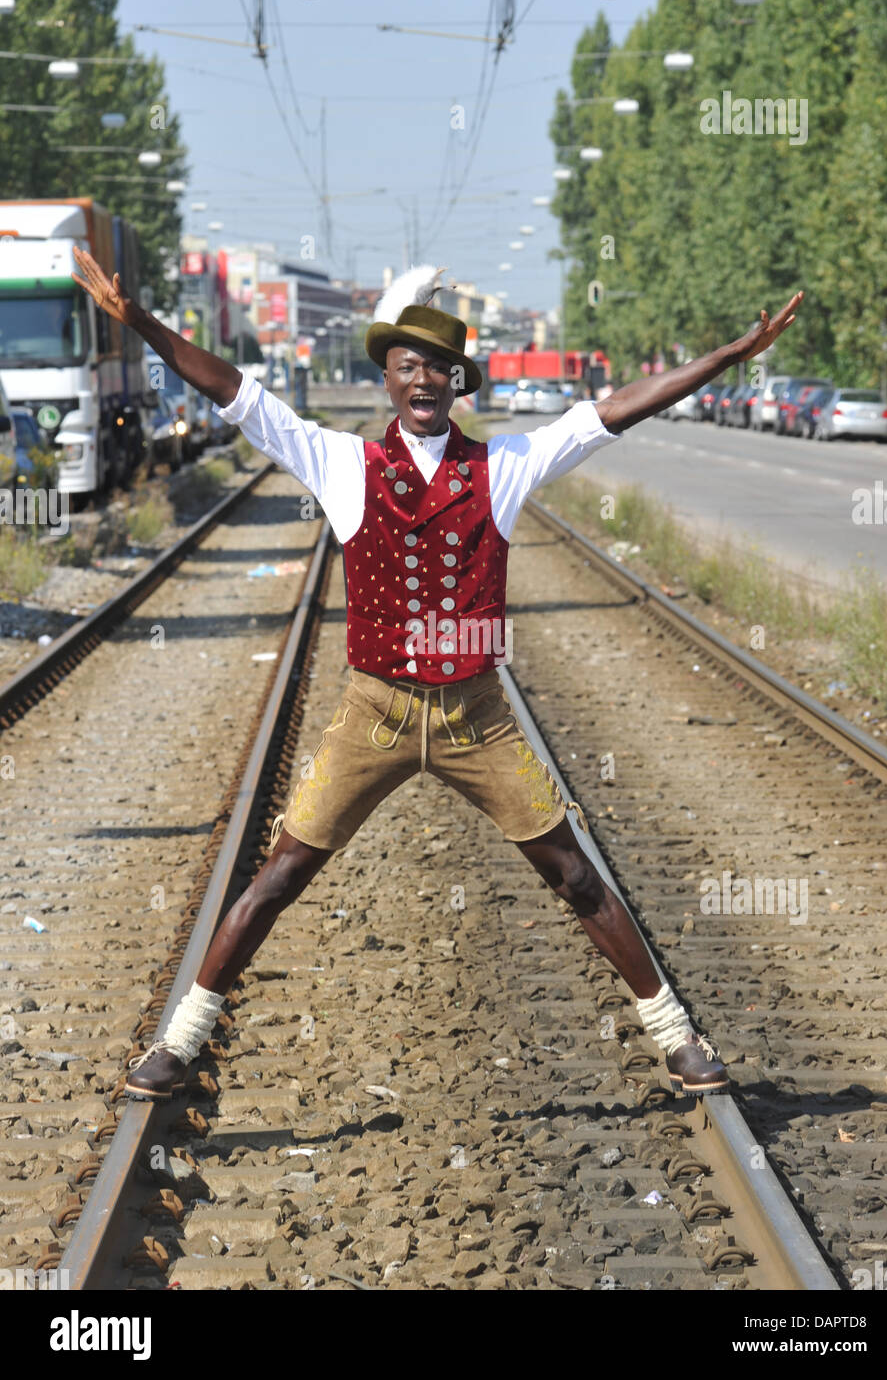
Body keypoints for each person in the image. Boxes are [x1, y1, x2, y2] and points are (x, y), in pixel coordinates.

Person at [71, 248, 803, 1102]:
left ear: (459, 381)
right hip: (372, 712)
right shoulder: (340, 463)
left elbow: (609, 414)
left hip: (475, 717)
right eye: (405, 365)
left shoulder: (505, 466)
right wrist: (143, 325)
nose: (422, 380)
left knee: (571, 873)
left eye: (438, 368)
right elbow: (236, 392)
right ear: (387, 377)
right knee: (279, 876)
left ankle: (676, 1037)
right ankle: (179, 1042)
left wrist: (725, 359)